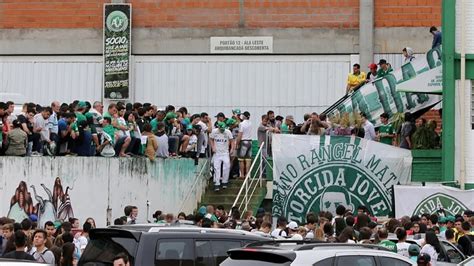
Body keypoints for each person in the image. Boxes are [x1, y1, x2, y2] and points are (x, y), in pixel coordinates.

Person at [209, 121, 234, 191]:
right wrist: (213, 147)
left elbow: (232, 141)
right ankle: (217, 183)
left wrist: (232, 149)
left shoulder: (228, 132)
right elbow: (211, 139)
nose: (222, 130)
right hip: (217, 153)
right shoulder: (214, 132)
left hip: (225, 152)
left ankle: (224, 182)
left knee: (227, 166)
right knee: (217, 168)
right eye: (221, 129)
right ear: (218, 127)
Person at [236, 111, 252, 179]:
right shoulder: (250, 123)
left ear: (244, 116)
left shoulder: (241, 124)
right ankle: (247, 174)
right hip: (250, 141)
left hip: (243, 141)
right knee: (248, 159)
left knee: (241, 159)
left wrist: (237, 143)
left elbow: (240, 134)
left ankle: (242, 174)